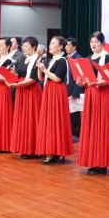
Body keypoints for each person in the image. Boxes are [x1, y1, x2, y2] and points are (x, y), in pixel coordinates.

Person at [76, 32, 109, 175]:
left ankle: (102, 162)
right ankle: (92, 160)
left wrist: (96, 83)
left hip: (102, 94)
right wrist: (81, 82)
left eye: (96, 42)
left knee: (101, 126)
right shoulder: (88, 58)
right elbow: (85, 78)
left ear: (103, 43)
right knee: (91, 126)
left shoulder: (107, 57)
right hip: (90, 94)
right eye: (91, 42)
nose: (93, 44)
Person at [36, 36, 75, 164]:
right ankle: (50, 150)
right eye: (50, 43)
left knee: (55, 120)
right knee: (48, 120)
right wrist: (39, 68)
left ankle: (55, 151)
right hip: (48, 90)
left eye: (53, 44)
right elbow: (41, 78)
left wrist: (44, 69)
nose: (50, 46)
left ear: (60, 47)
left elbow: (57, 78)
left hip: (57, 91)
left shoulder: (62, 60)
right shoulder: (49, 60)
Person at [8, 37, 42, 159]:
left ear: (34, 47)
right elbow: (19, 75)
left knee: (31, 119)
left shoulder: (37, 59)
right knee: (22, 119)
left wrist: (16, 85)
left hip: (31, 91)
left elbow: (33, 79)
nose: (24, 48)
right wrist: (13, 73)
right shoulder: (24, 59)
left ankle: (33, 149)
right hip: (22, 90)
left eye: (27, 46)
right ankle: (24, 148)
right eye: (23, 46)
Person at [65, 38, 84, 142]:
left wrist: (76, 92)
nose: (66, 47)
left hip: (74, 90)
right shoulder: (65, 58)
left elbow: (80, 76)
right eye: (66, 45)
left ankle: (76, 134)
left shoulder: (78, 59)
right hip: (65, 89)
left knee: (74, 113)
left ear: (74, 47)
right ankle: (68, 132)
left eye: (69, 45)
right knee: (67, 112)